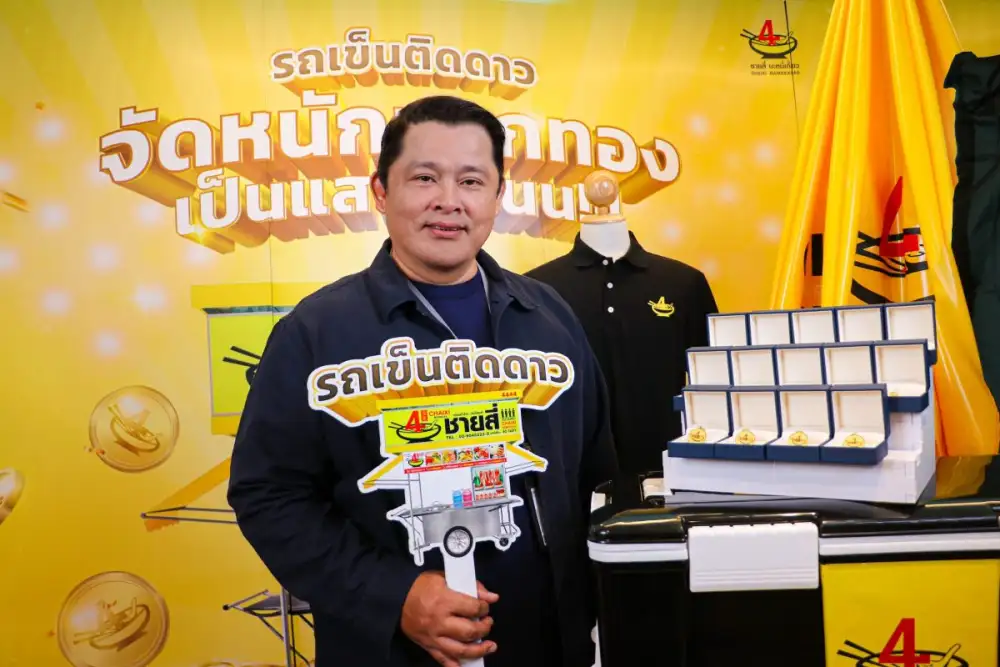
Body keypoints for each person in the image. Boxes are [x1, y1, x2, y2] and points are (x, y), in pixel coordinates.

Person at [228, 95, 619, 667]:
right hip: (389, 653)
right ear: (381, 192)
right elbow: (268, 496)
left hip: (548, 646)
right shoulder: (314, 333)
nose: (449, 201)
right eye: (424, 178)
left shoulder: (550, 317)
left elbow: (597, 474)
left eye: (471, 181)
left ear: (497, 197)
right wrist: (394, 595)